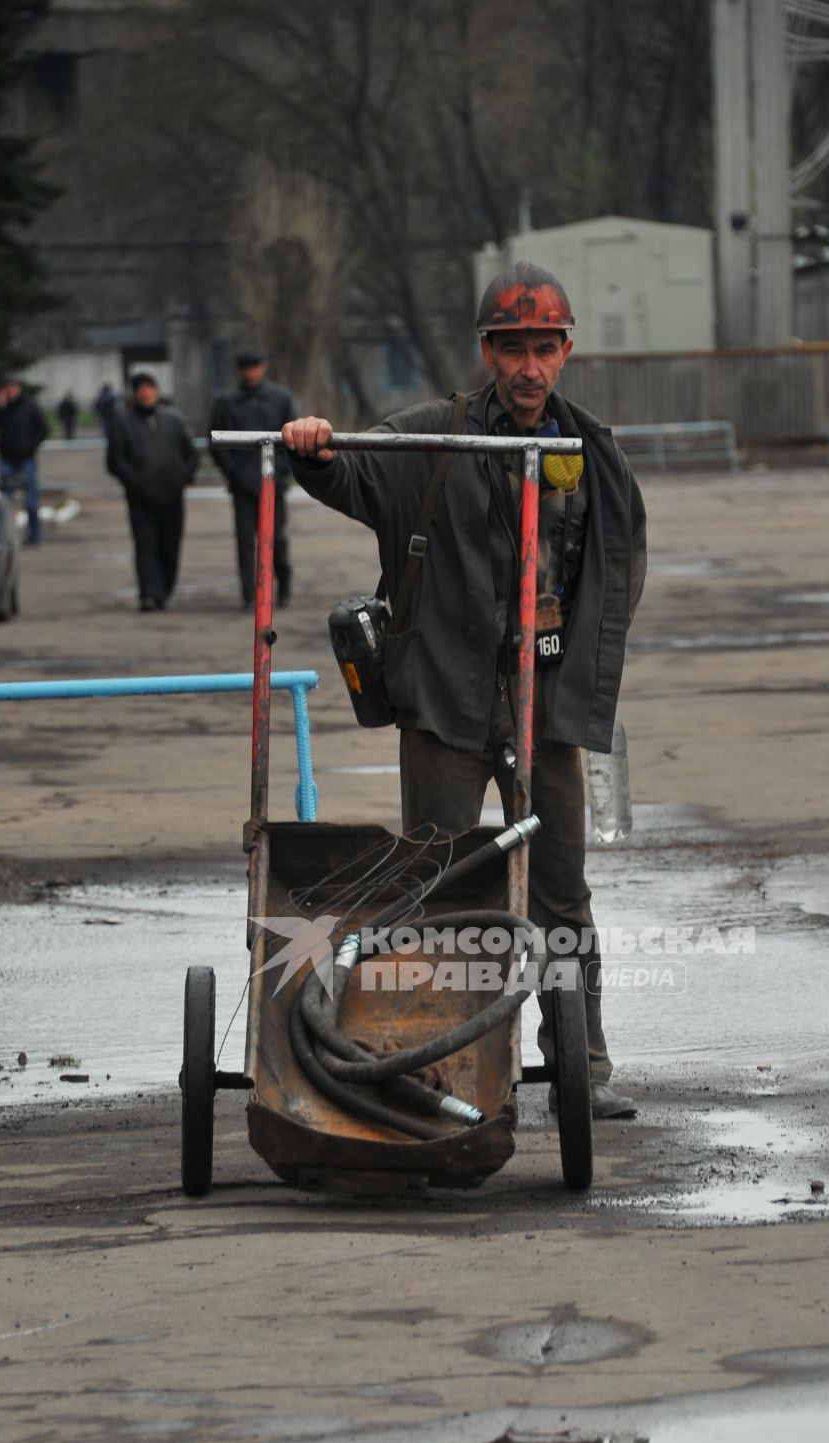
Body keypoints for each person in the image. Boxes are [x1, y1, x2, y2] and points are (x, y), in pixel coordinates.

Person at [281, 263, 646, 1118]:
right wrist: (312, 446)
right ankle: (443, 1064)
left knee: (560, 890)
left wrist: (575, 680)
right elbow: (350, 474)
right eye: (512, 348)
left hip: (542, 708)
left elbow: (616, 574)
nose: (528, 367)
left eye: (544, 348)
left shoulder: (587, 455)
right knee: (439, 886)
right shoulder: (431, 439)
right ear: (486, 350)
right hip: (445, 703)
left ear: (566, 351)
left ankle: (579, 1070)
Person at [209, 346, 295, 609]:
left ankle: (284, 585)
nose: (251, 372)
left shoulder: (280, 398)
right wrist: (233, 472)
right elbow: (216, 441)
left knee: (276, 539)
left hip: (274, 484)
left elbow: (291, 437)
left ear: (263, 367)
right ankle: (250, 595)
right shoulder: (227, 401)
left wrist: (280, 471)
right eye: (247, 367)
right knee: (245, 543)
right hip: (242, 485)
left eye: (255, 367)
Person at [105, 369, 197, 612]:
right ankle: (149, 593)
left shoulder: (174, 420)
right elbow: (115, 460)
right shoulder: (123, 422)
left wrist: (184, 477)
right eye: (141, 390)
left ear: (156, 391)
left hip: (172, 495)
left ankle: (164, 590)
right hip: (140, 498)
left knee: (170, 545)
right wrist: (133, 482)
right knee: (146, 547)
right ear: (135, 394)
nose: (146, 394)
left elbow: (191, 453)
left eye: (150, 389)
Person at [0, 375, 49, 547]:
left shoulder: (30, 406)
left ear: (18, 388)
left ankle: (34, 535)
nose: (10, 391)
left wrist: (30, 446)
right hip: (7, 459)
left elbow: (43, 430)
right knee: (5, 500)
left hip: (26, 458)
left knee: (31, 499)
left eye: (12, 387)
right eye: (7, 388)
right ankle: (4, 535)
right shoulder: (3, 408)